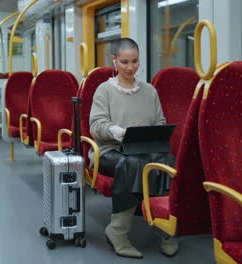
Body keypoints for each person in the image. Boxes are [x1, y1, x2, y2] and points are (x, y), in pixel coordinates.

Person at [89, 38, 177, 259]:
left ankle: (166, 229)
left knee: (167, 163)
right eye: (124, 62)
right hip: (111, 150)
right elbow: (97, 126)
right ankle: (117, 231)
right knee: (133, 163)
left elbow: (159, 122)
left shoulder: (149, 91)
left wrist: (152, 133)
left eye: (135, 61)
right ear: (114, 61)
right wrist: (121, 132)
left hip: (144, 149)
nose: (130, 67)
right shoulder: (104, 90)